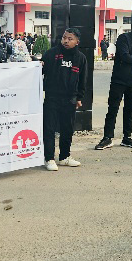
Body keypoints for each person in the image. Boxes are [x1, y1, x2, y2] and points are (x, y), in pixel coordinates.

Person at [96, 17, 132, 150]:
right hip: (119, 80)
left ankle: (127, 137)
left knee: (130, 110)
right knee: (113, 109)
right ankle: (107, 138)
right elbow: (125, 57)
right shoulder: (123, 38)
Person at [41, 28, 90, 171]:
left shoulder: (80, 58)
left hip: (70, 99)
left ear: (77, 42)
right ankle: (49, 158)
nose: (66, 41)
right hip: (52, 97)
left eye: (70, 39)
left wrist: (79, 97)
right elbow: (40, 71)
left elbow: (83, 80)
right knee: (49, 128)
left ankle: (64, 157)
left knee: (67, 129)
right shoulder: (52, 54)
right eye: (64, 38)